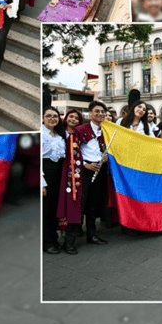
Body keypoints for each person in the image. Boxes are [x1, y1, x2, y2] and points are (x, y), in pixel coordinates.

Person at [75, 101, 110, 245]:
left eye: (102, 112)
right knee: (81, 202)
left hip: (100, 169)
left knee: (94, 203)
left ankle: (92, 234)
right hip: (85, 170)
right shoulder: (80, 129)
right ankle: (74, 232)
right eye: (97, 111)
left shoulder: (106, 130)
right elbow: (74, 151)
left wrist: (107, 157)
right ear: (90, 113)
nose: (100, 114)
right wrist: (85, 165)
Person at [57, 109, 84, 254]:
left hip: (77, 177)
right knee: (61, 205)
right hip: (61, 175)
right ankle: (56, 239)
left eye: (76, 118)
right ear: (66, 118)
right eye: (71, 116)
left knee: (74, 206)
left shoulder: (79, 135)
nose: (73, 119)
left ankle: (70, 242)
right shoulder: (59, 134)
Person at [41, 107, 65, 254]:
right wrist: (42, 182)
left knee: (54, 209)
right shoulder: (41, 134)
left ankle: (54, 239)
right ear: (43, 118)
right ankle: (47, 241)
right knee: (46, 209)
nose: (52, 118)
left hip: (59, 175)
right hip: (46, 173)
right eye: (48, 116)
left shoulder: (60, 135)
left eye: (55, 116)